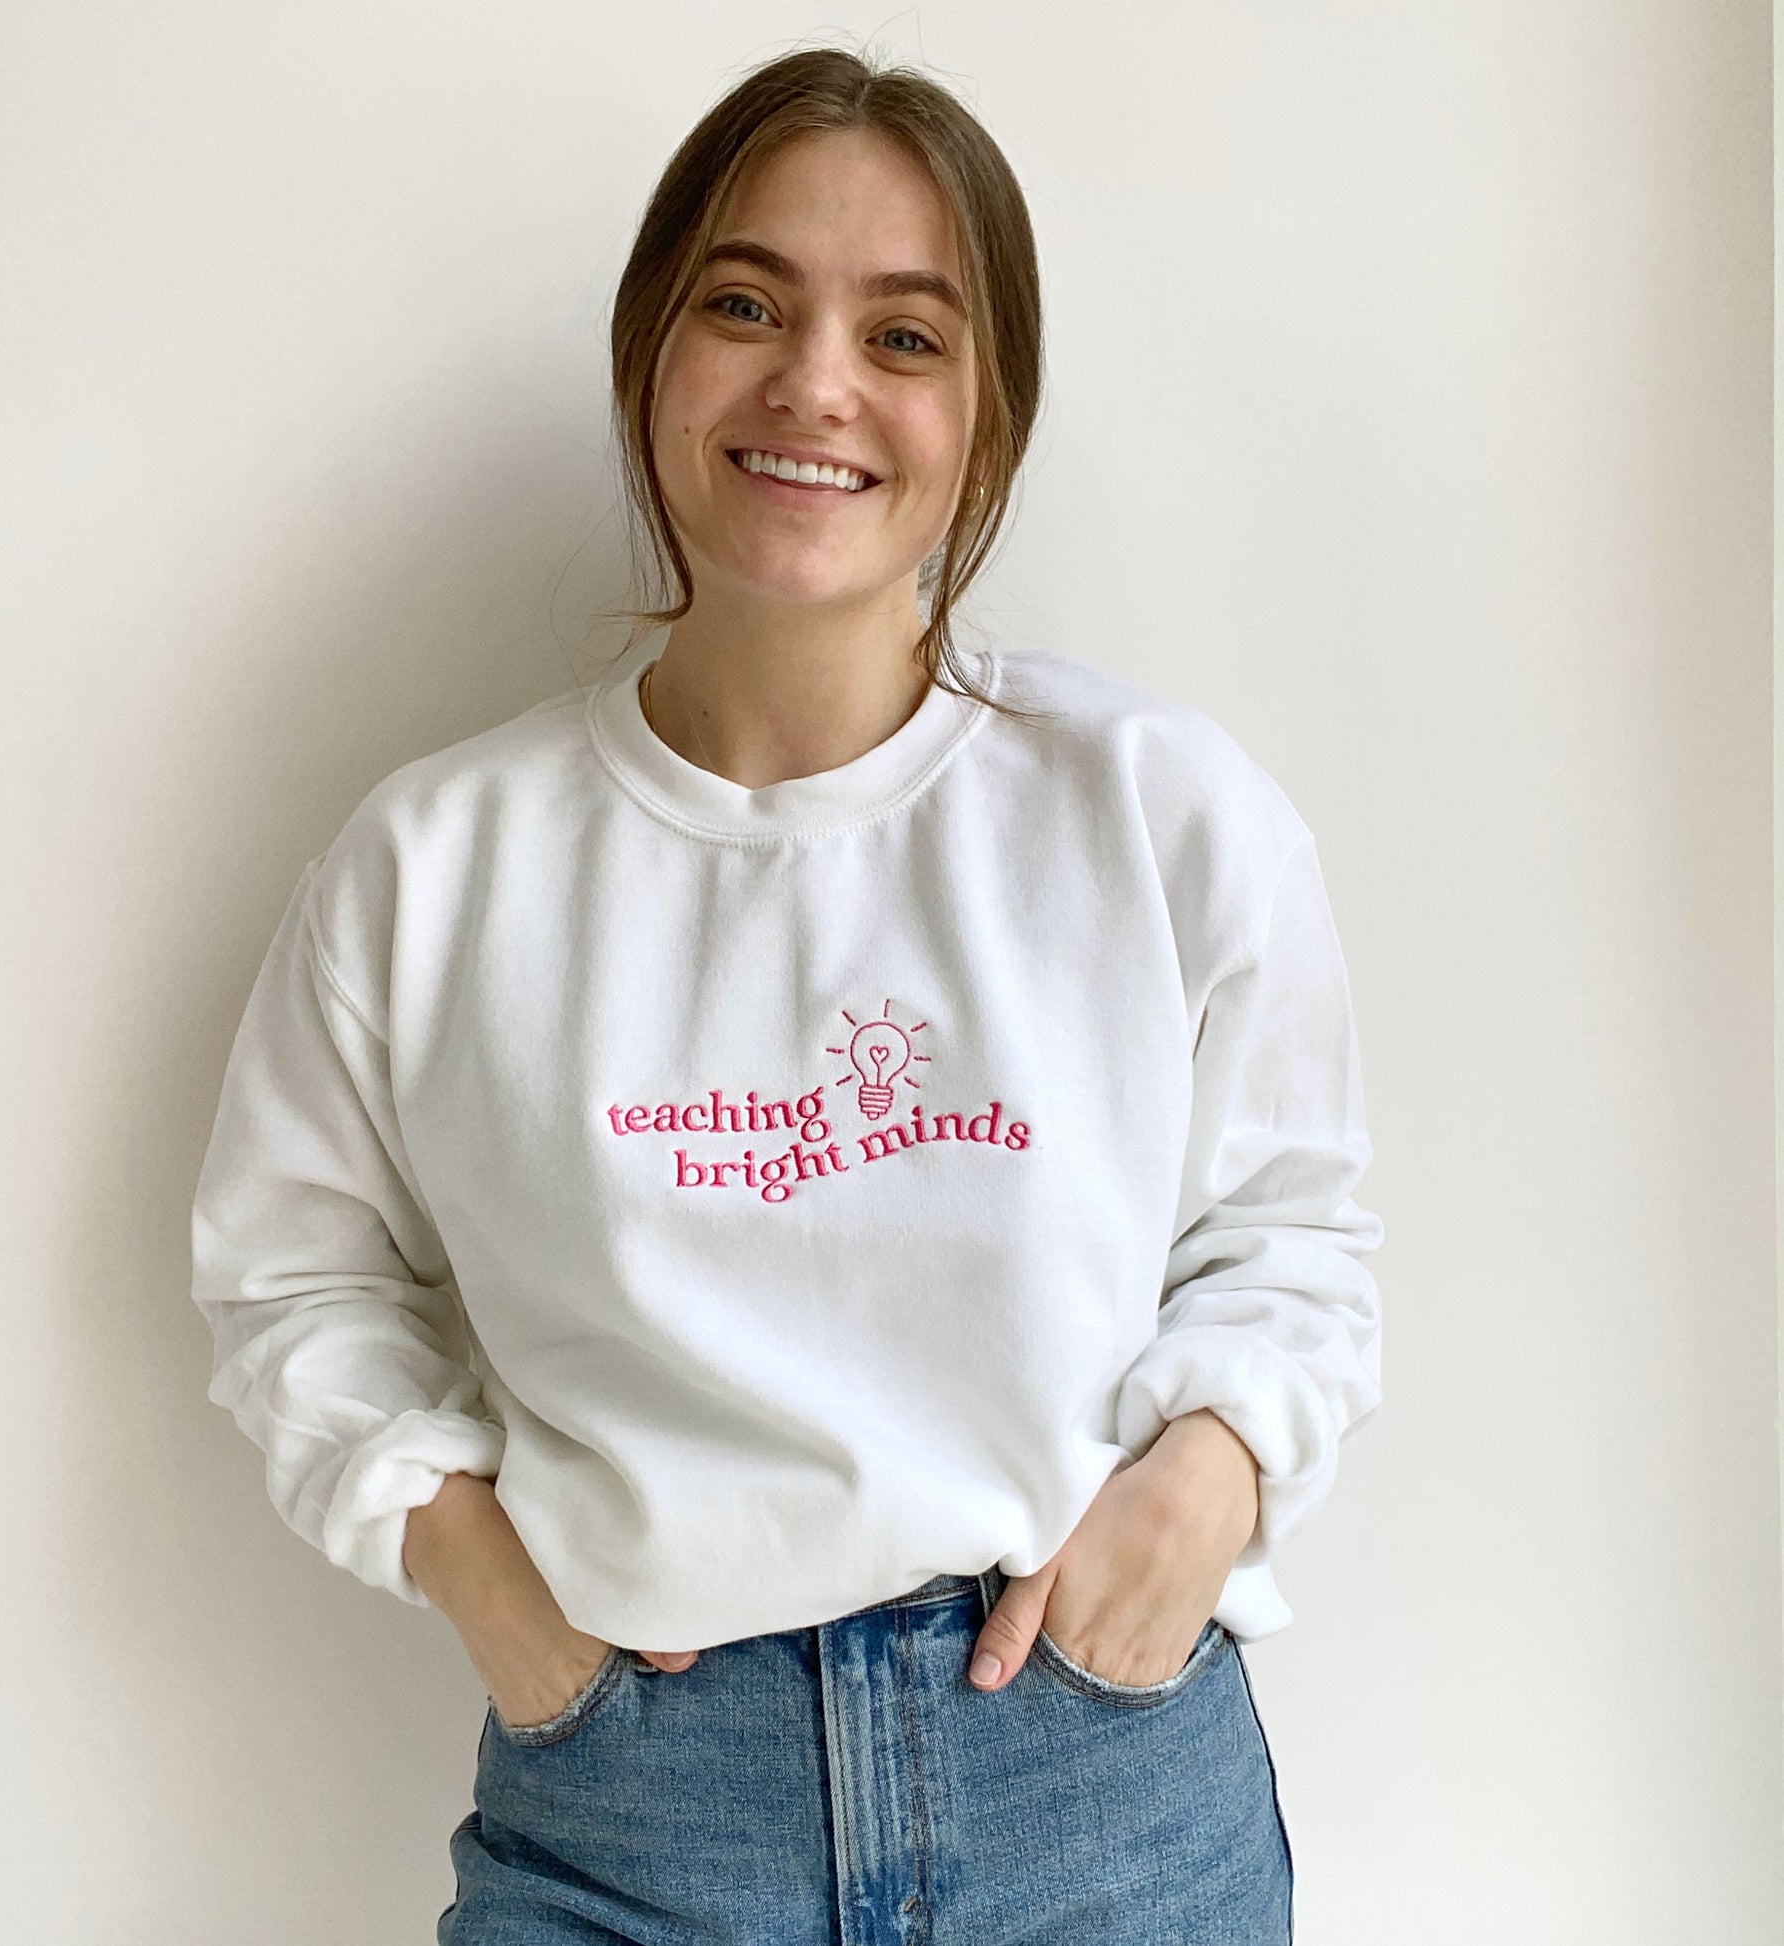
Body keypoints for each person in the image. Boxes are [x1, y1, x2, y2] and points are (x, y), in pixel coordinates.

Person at [189, 44, 1383, 1944]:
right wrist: (493, 1588)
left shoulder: (1154, 813)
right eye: (744, 305)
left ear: (986, 422)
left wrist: (1210, 1480)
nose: (812, 384)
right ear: (647, 357)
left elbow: (1291, 1235)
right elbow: (290, 1272)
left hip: (1093, 1777)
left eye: (905, 336)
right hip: (638, 1804)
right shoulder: (439, 867)